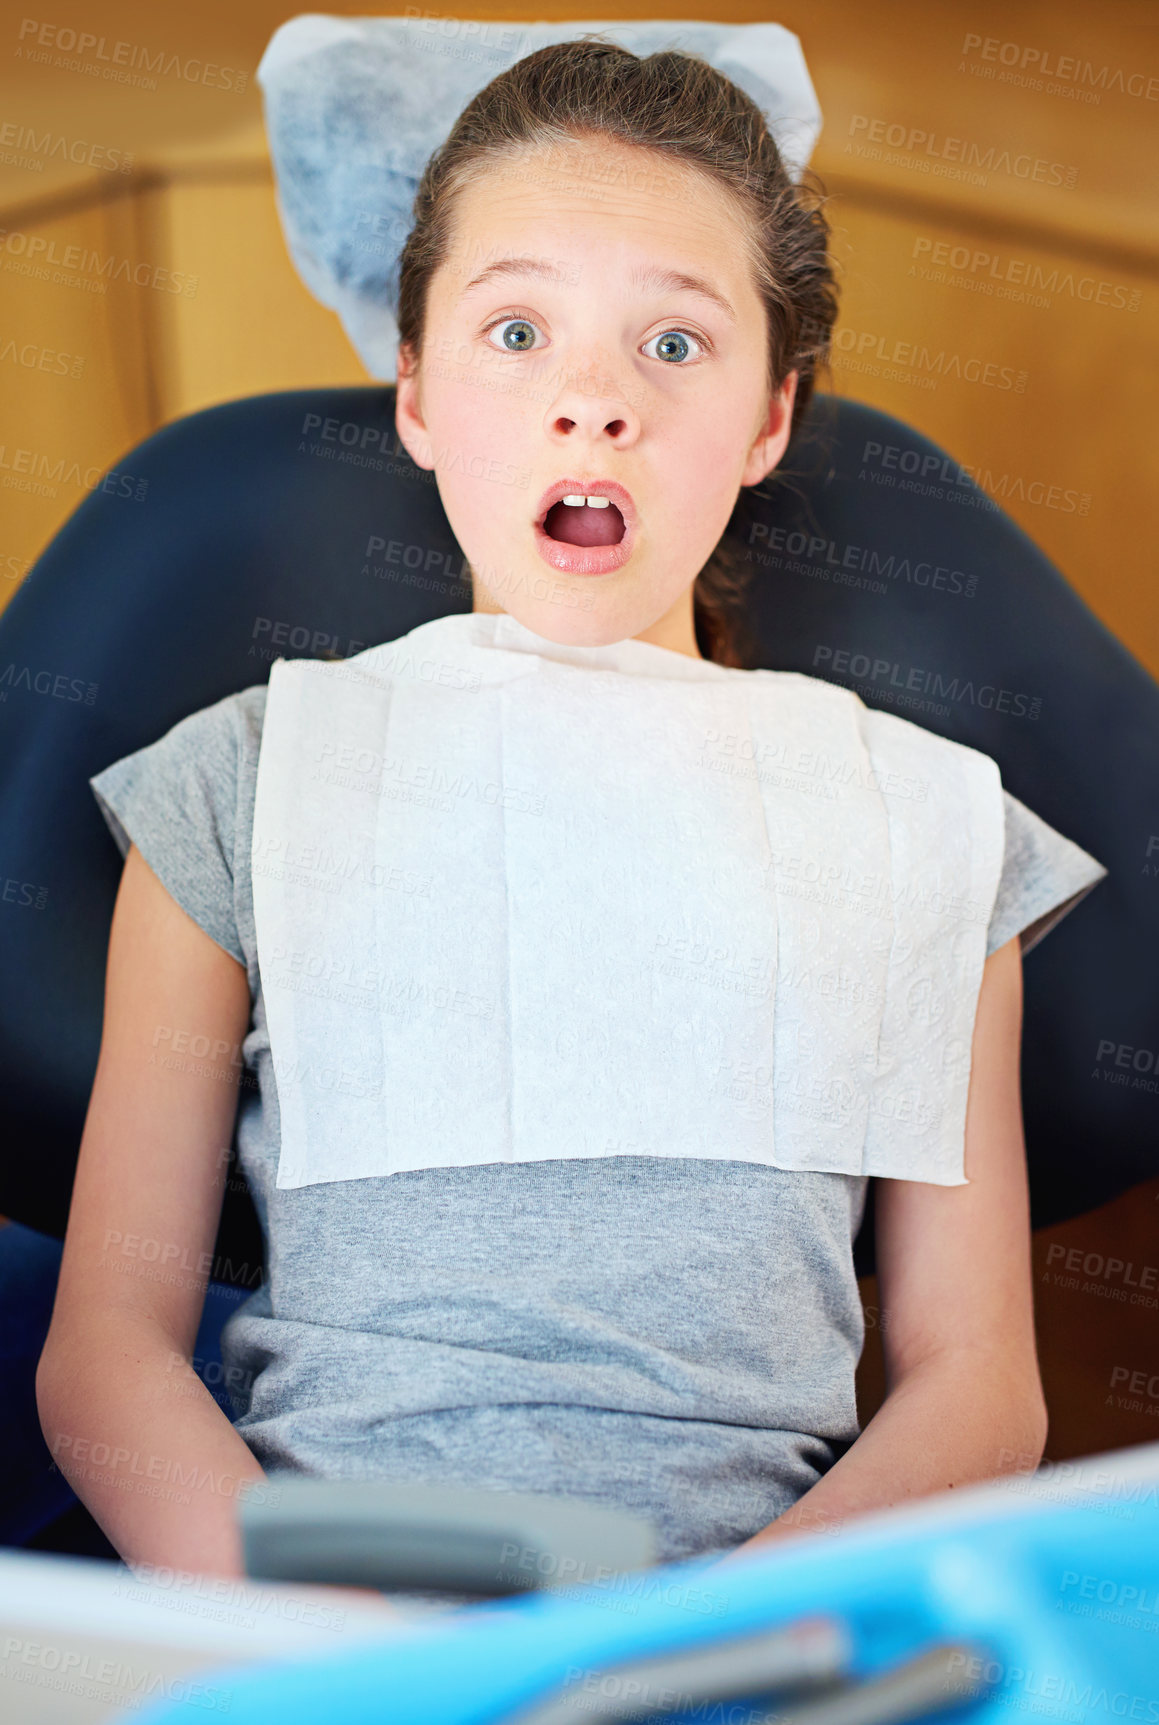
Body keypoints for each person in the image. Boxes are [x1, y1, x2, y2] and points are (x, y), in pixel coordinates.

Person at [37, 38, 1106, 1584]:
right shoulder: (248, 785)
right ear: (413, 388)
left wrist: (689, 1653)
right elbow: (108, 1360)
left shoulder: (919, 820)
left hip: (756, 1642)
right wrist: (319, 1655)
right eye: (517, 330)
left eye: (675, 344)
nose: (593, 401)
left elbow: (977, 1392)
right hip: (313, 1626)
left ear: (768, 419)